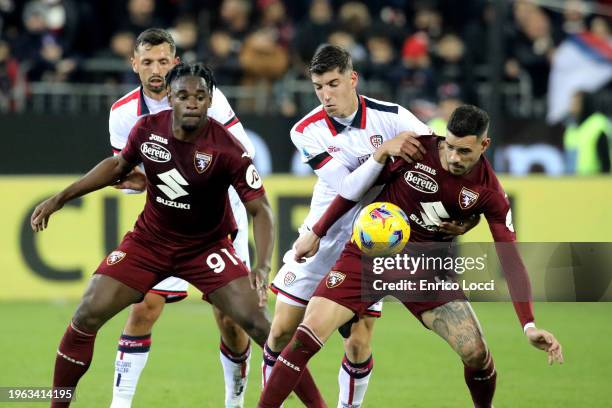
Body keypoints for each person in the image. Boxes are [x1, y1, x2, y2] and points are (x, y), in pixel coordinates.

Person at [259, 105, 564, 408]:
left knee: (476, 352)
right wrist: (318, 231)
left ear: (485, 145)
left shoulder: (490, 192)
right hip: (370, 256)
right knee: (305, 336)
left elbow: (510, 258)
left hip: (425, 266)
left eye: (465, 152)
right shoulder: (415, 150)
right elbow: (357, 188)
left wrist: (529, 325)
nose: (455, 157)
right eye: (451, 147)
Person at [31, 63, 274, 408]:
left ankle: (237, 402)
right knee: (113, 310)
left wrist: (262, 265)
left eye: (199, 96)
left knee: (245, 324)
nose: (191, 101)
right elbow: (119, 167)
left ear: (208, 99)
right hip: (157, 238)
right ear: (167, 94)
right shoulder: (136, 121)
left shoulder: (225, 139)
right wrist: (60, 198)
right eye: (148, 61)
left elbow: (257, 202)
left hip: (210, 238)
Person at [263, 44, 477, 408]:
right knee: (282, 333)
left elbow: (442, 160)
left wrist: (463, 212)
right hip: (324, 235)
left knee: (359, 341)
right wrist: (383, 153)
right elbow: (347, 188)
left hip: (375, 242)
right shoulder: (306, 130)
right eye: (318, 87)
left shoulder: (393, 117)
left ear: (352, 78)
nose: (326, 95)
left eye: (333, 84)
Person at [107, 28, 255, 408]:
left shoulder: (206, 98)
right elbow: (125, 177)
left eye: (162, 61)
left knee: (230, 320)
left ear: (175, 63)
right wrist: (132, 182)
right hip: (168, 223)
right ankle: (119, 404)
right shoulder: (124, 113)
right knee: (143, 307)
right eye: (147, 62)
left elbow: (245, 152)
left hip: (219, 220)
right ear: (134, 64)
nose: (155, 69)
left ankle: (234, 401)